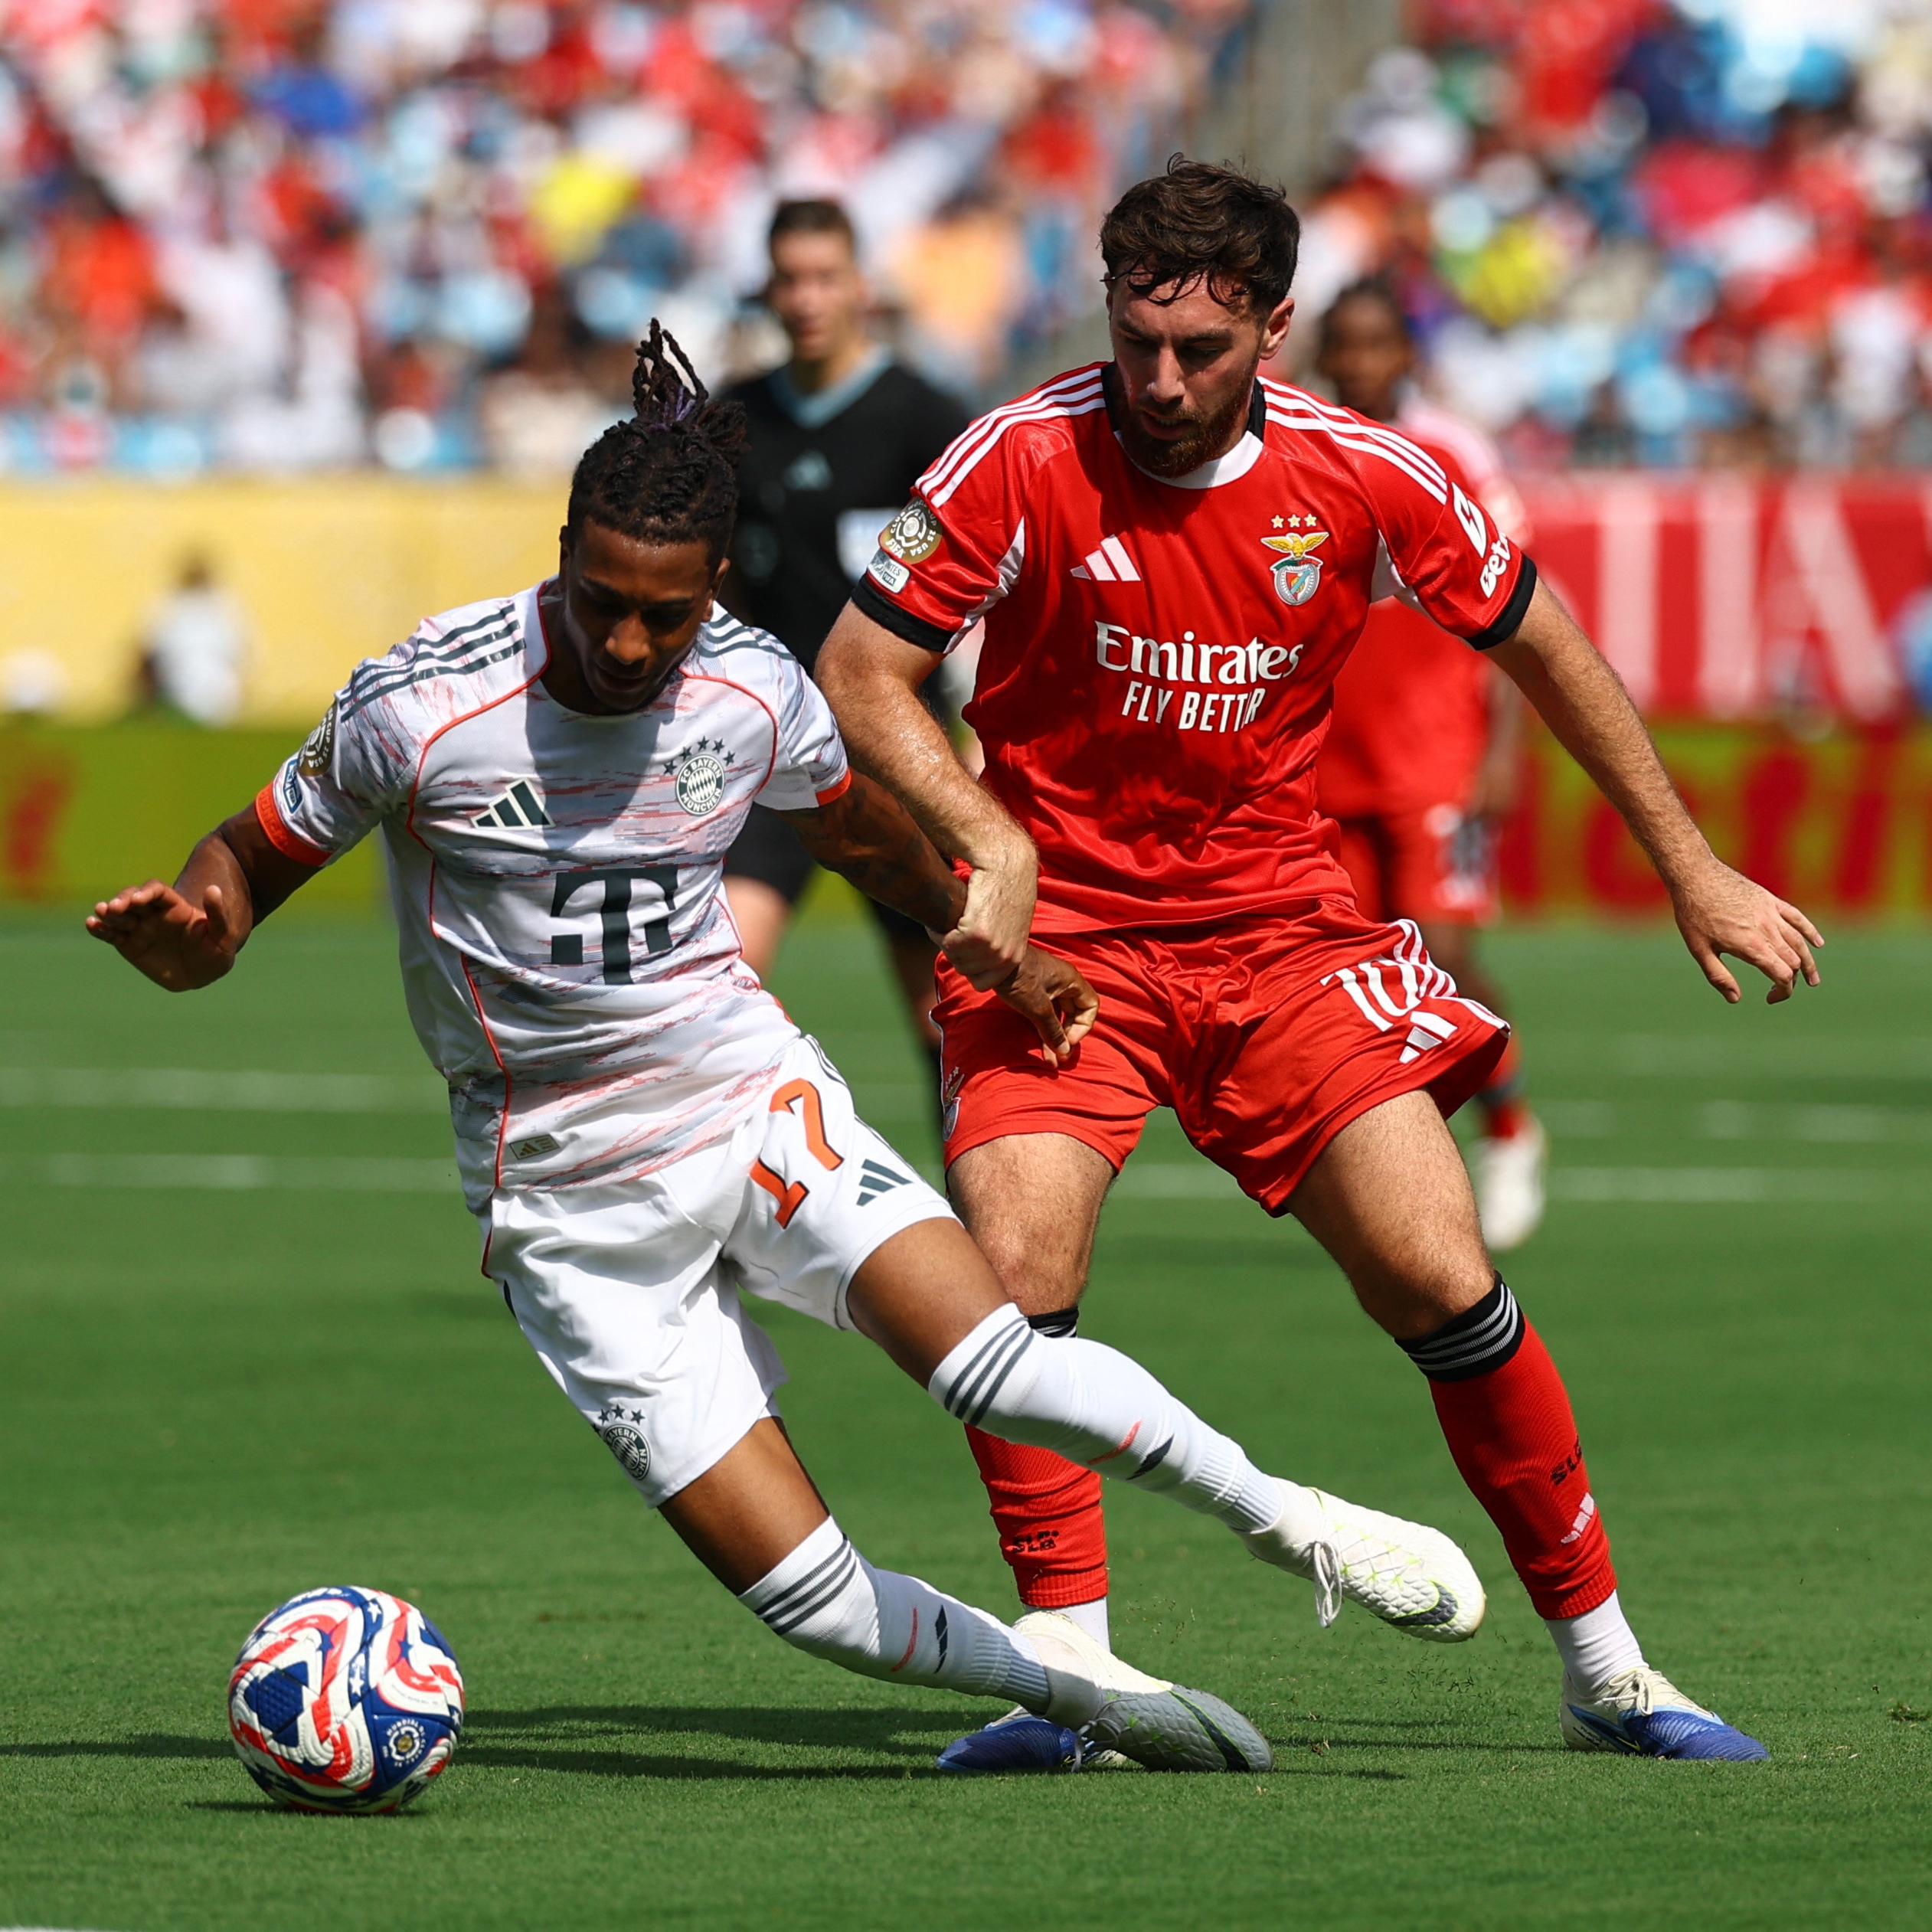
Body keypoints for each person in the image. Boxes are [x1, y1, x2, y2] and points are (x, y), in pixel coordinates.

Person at [87, 321, 1491, 1778]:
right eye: (603, 603)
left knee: (994, 1360)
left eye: (666, 616)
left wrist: (985, 930)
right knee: (805, 1600)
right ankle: (1077, 1689)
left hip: (745, 1097)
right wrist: (199, 930)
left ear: (714, 592)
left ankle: (1292, 1519)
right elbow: (245, 860)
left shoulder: (752, 686)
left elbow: (855, 828)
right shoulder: (421, 703)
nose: (630, 644)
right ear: (561, 549)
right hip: (564, 1201)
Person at [818, 161, 1823, 1764]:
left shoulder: (1367, 474)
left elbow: (1544, 641)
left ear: (1271, 329)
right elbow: (858, 673)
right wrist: (986, 841)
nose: (1156, 380)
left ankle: (1611, 1672)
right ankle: (1066, 1677)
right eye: (1134, 338)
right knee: (1010, 1283)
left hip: (1282, 931)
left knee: (1439, 1274)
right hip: (1065, 942)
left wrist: (1687, 863)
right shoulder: (1019, 452)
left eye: (1198, 349)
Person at [1312, 280, 1545, 1250]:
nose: (1363, 365)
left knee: (1442, 955)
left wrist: (1503, 743)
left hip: (1433, 750)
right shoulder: (1294, 443)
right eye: (1347, 348)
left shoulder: (1454, 452)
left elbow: (1522, 607)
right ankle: (1401, 1183)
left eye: (1379, 346)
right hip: (1325, 757)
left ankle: (1510, 1124)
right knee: (1363, 975)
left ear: (1408, 354)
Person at [721, 200, 969, 1099]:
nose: (807, 297)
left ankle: (982, 1223)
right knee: (724, 971)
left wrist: (972, 728)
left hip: (898, 751)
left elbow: (987, 591)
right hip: (772, 749)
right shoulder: (734, 421)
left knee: (946, 1007)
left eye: (825, 276)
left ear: (862, 285)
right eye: (789, 278)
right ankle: (768, 1179)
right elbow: (720, 592)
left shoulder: (926, 418)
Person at [139, 551, 247, 725]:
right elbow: (150, 646)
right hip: (178, 680)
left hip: (221, 682)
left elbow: (242, 647)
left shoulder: (225, 605)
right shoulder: (171, 604)